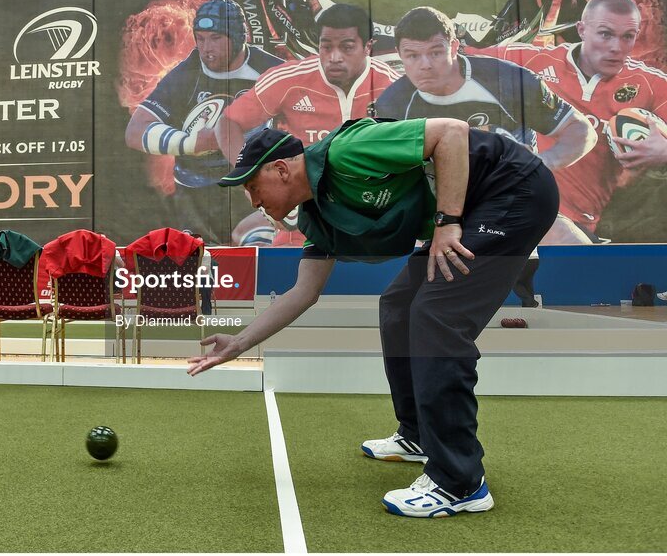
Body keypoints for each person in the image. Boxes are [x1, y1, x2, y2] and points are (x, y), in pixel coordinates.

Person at [188, 117, 559, 517]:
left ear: (281, 169)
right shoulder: (319, 216)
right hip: (470, 210)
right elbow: (303, 292)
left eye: (252, 186)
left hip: (513, 189)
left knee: (436, 315)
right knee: (398, 307)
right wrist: (240, 343)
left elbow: (451, 131)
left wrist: (448, 222)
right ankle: (417, 434)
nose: (253, 201)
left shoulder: (347, 150)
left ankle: (459, 482)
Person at [376, 6, 596, 244]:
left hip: (512, 200)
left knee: (571, 245)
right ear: (399, 54)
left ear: (453, 47)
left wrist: (542, 163)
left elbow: (580, 130)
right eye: (412, 56)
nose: (425, 64)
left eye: (436, 52)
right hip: (441, 216)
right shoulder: (392, 106)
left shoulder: (506, 80)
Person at [478, 0, 667, 242]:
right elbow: (452, 58)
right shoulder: (532, 59)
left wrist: (664, 151)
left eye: (627, 37)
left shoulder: (649, 85)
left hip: (580, 225)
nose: (616, 47)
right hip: (514, 207)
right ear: (581, 29)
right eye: (605, 34)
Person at [217, 3, 400, 246]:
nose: (334, 57)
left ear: (368, 47)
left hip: (370, 216)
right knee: (291, 280)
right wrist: (254, 176)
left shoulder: (392, 85)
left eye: (347, 47)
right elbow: (228, 123)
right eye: (326, 47)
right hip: (302, 220)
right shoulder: (288, 79)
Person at [124, 0, 284, 242]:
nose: (206, 47)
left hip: (252, 186)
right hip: (195, 193)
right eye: (200, 38)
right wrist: (192, 144)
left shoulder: (273, 71)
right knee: (202, 265)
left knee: (255, 250)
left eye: (216, 38)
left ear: (239, 36)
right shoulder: (186, 73)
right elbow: (134, 132)